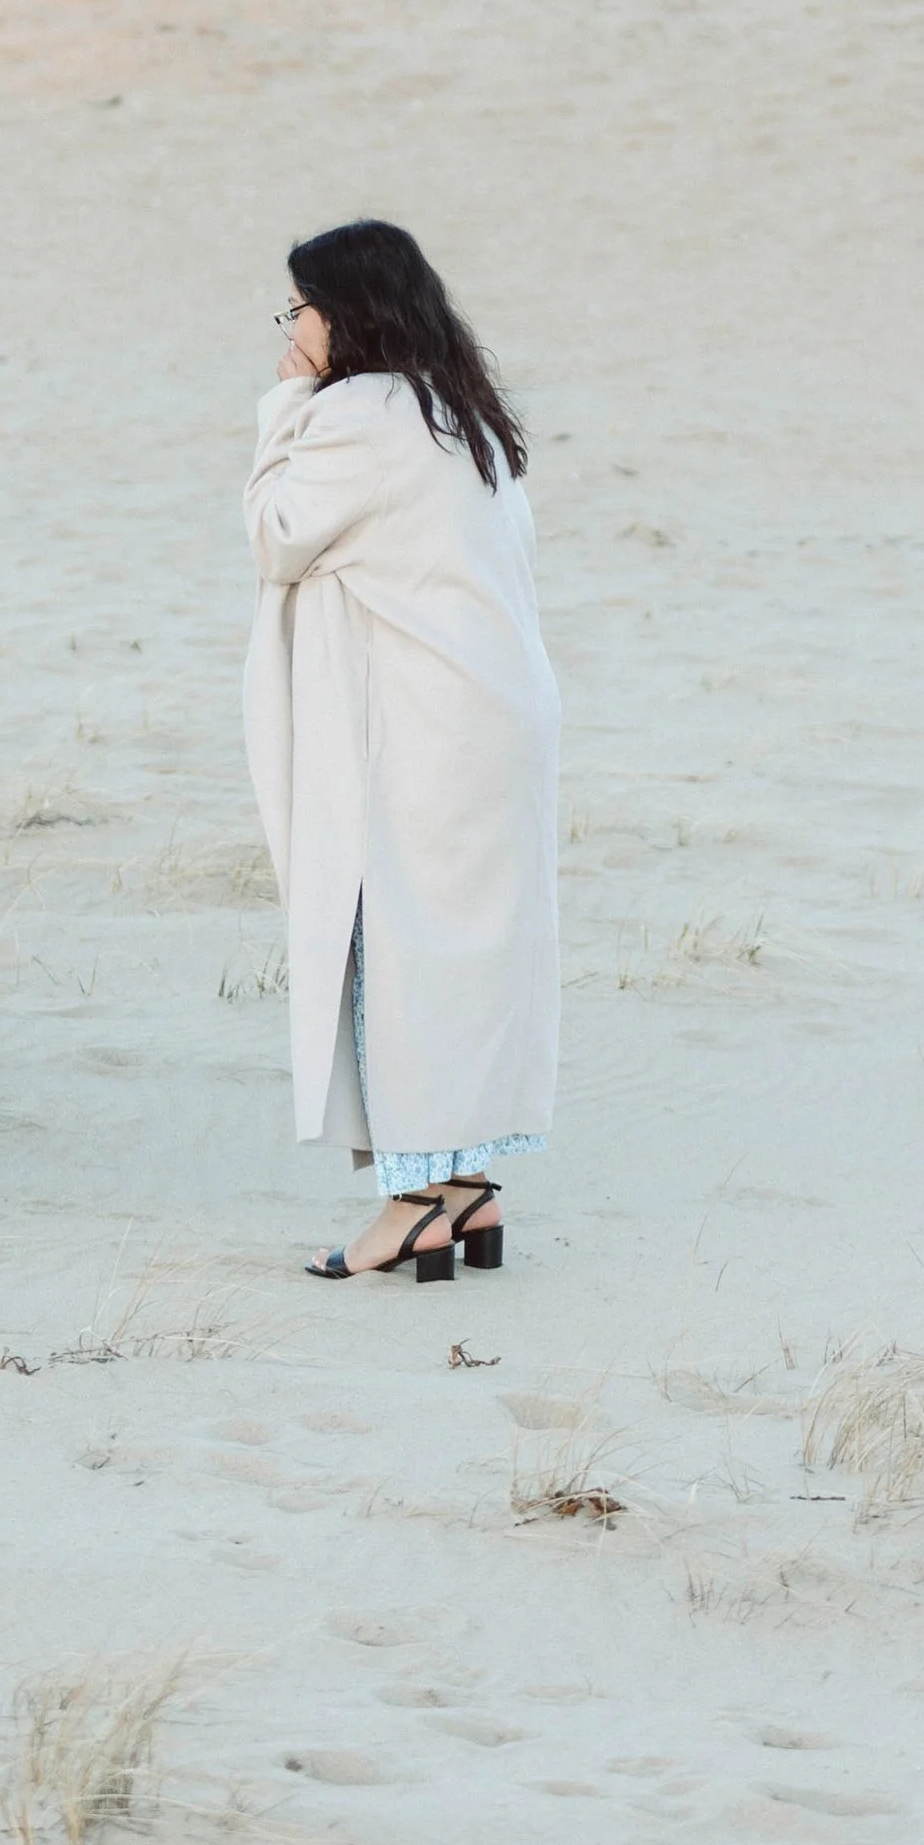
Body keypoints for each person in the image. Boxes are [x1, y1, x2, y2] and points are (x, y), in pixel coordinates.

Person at [242, 222, 560, 1285]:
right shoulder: (454, 410)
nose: (291, 331)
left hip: (419, 732)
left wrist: (283, 404)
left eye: (298, 309)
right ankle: (468, 1189)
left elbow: (276, 535)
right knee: (468, 956)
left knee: (399, 952)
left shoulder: (359, 414)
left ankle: (414, 1202)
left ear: (345, 309)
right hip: (494, 718)